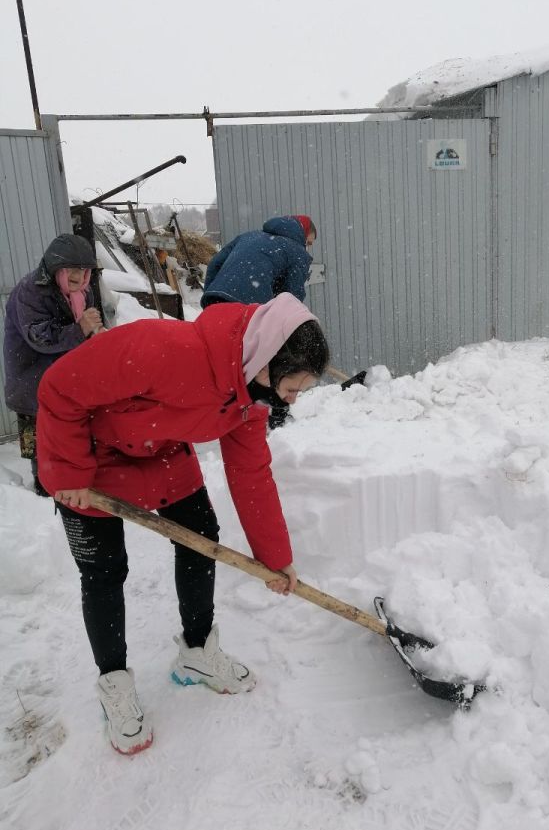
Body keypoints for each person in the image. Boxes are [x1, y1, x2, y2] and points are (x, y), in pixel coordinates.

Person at [36, 292, 329, 756]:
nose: (291, 399)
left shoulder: (249, 399)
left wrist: (276, 560)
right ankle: (114, 680)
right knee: (104, 572)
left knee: (201, 541)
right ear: (269, 359)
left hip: (165, 455)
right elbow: (58, 387)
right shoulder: (163, 348)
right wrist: (68, 472)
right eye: (293, 387)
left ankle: (196, 652)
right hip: (91, 461)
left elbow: (252, 474)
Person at [3, 232, 103, 496]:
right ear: (54, 269)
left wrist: (96, 337)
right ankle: (43, 490)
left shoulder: (83, 292)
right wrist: (80, 329)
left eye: (84, 271)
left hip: (63, 378)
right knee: (40, 441)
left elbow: (88, 327)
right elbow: (39, 337)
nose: (78, 277)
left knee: (68, 433)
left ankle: (73, 480)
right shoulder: (30, 292)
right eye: (70, 270)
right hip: (31, 379)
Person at [201, 214, 318, 430]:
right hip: (248, 308)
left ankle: (215, 411)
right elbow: (291, 298)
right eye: (309, 242)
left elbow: (215, 264)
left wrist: (211, 296)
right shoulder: (296, 251)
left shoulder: (249, 236)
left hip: (216, 301)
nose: (307, 247)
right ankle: (277, 417)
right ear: (302, 234)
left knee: (219, 358)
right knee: (272, 357)